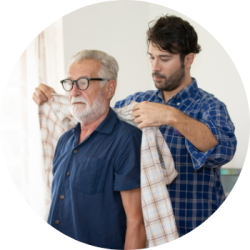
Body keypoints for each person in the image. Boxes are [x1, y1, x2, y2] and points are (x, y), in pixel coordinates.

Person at [33, 15, 237, 238]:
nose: (155, 67)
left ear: (188, 60)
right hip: (146, 236)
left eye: (164, 58)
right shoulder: (137, 102)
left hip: (190, 224)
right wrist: (52, 97)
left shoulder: (210, 107)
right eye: (151, 58)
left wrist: (172, 116)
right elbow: (93, 116)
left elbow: (223, 150)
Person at [40, 50, 146, 250]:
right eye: (70, 84)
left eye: (83, 83)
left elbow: (136, 222)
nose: (74, 92)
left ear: (109, 89)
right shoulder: (64, 140)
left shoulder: (126, 139)